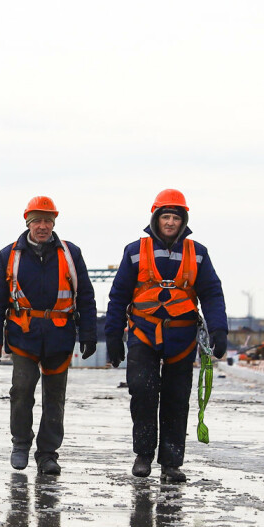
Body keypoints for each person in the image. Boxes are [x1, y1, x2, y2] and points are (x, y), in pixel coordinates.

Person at [104, 189, 227, 484]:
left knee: (176, 400)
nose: (170, 222)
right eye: (165, 217)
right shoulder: (134, 250)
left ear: (183, 220)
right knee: (143, 393)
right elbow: (119, 295)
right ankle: (143, 455)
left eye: (175, 217)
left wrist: (219, 329)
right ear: (156, 219)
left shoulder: (198, 253)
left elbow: (211, 293)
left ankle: (171, 463)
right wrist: (111, 335)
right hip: (143, 334)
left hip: (181, 340)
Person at [0, 196, 97, 475]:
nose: (43, 226)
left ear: (54, 223)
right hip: (24, 335)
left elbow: (86, 297)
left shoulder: (71, 254)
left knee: (55, 397)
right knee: (21, 390)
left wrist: (89, 334)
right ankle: (20, 443)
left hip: (60, 336)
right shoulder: (8, 255)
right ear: (28, 223)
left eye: (48, 220)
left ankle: (47, 454)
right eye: (37, 221)